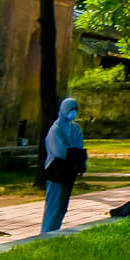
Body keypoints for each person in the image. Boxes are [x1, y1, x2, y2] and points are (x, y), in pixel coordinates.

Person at [41, 96, 87, 233]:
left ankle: (55, 230)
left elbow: (79, 148)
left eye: (75, 110)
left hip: (69, 172)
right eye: (70, 110)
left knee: (62, 206)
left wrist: (80, 161)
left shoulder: (75, 129)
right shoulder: (55, 130)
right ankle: (46, 232)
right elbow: (60, 152)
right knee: (53, 205)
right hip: (56, 171)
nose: (73, 113)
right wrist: (76, 155)